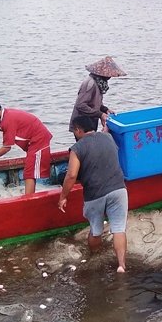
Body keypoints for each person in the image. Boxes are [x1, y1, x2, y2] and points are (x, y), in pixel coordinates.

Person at [58, 116, 128, 273]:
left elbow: (71, 175)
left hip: (95, 194)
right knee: (119, 229)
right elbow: (105, 134)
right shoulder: (108, 137)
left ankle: (95, 257)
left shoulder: (77, 148)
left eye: (74, 130)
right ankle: (121, 265)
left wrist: (63, 197)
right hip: (118, 189)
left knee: (96, 230)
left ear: (78, 130)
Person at [0, 96, 53, 195]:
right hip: (32, 143)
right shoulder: (2, 117)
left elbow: (6, 148)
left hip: (39, 141)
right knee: (29, 171)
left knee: (29, 173)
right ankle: (29, 197)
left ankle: (29, 200)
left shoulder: (8, 120)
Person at [70, 56, 126, 136]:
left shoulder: (99, 83)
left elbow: (94, 103)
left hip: (90, 123)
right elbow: (81, 105)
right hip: (82, 126)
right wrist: (100, 114)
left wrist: (105, 110)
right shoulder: (90, 84)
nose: (109, 77)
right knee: (85, 147)